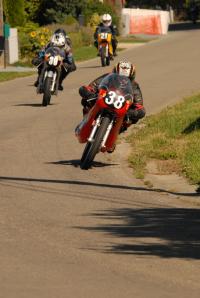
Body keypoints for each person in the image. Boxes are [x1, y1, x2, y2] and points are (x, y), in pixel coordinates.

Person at [79, 61, 146, 149]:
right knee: (86, 100)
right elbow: (92, 86)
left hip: (120, 108)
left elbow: (139, 105)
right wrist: (88, 92)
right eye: (119, 76)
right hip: (103, 100)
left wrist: (133, 112)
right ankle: (86, 121)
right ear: (114, 73)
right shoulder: (107, 77)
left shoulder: (134, 86)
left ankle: (114, 135)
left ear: (132, 77)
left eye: (127, 78)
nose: (123, 80)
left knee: (133, 119)